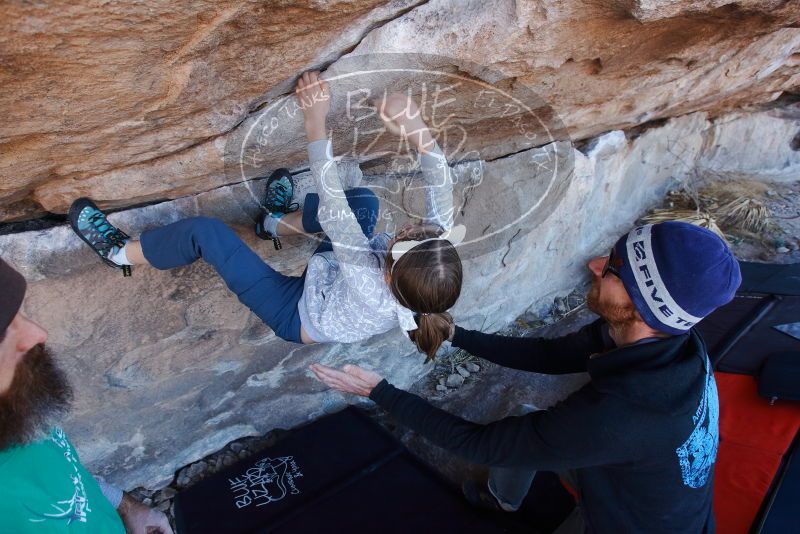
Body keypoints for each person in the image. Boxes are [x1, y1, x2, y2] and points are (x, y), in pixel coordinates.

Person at [311, 221, 742, 533]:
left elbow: (479, 442)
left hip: (631, 523)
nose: (594, 264)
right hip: (643, 484)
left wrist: (378, 390)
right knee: (523, 418)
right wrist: (455, 333)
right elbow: (550, 354)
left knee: (521, 446)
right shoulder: (672, 342)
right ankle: (503, 500)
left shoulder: (622, 414)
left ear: (643, 307)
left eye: (612, 269)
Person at [68, 72, 463, 359]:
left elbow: (331, 202)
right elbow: (440, 186)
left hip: (295, 314)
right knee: (364, 199)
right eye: (419, 230)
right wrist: (416, 128)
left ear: (388, 274)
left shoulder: (365, 274)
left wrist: (314, 117)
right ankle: (271, 222)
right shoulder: (431, 252)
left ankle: (119, 253)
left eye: (405, 236)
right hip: (331, 282)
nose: (410, 228)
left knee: (207, 234)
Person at [0, 258, 173, 533]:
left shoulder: (13, 410)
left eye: (20, 313)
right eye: (3, 333)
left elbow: (67, 476)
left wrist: (125, 506)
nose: (39, 334)